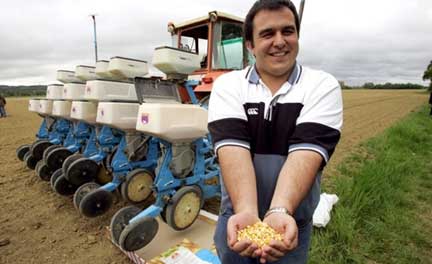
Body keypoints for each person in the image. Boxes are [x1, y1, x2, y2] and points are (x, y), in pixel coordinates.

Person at [208, 0, 343, 263]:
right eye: (267, 34)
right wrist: (246, 211)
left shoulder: (321, 86)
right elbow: (233, 150)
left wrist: (279, 210)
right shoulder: (228, 86)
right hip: (236, 218)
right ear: (250, 44)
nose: (279, 41)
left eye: (287, 31)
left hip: (289, 222)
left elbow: (306, 153)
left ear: (297, 36)